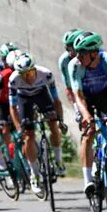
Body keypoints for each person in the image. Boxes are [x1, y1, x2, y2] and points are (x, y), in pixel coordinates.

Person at [68, 32, 107, 197]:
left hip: (103, 94)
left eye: (82, 54)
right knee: (89, 132)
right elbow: (78, 96)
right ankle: (88, 180)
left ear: (94, 53)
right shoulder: (75, 65)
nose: (78, 57)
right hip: (84, 98)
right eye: (77, 53)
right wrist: (86, 115)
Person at [8, 53, 67, 193]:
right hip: (24, 100)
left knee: (53, 125)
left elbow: (56, 100)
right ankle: (35, 175)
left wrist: (60, 120)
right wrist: (18, 127)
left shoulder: (46, 74)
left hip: (42, 95)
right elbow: (12, 108)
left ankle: (58, 160)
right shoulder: (14, 80)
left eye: (29, 73)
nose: (27, 77)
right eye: (23, 74)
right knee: (29, 136)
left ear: (34, 69)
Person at [57, 29, 85, 105]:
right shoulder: (64, 61)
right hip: (78, 90)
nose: (69, 53)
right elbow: (68, 88)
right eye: (67, 49)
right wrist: (75, 105)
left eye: (71, 49)